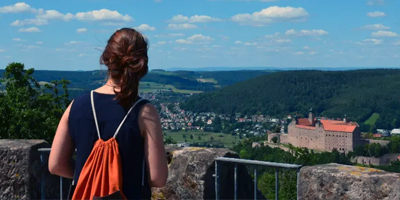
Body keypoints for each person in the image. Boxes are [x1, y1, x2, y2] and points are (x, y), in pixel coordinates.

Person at [48, 28, 168, 199]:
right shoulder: (145, 112)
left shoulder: (76, 106)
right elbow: (158, 178)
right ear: (141, 64)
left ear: (106, 59)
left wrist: (91, 176)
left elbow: (55, 165)